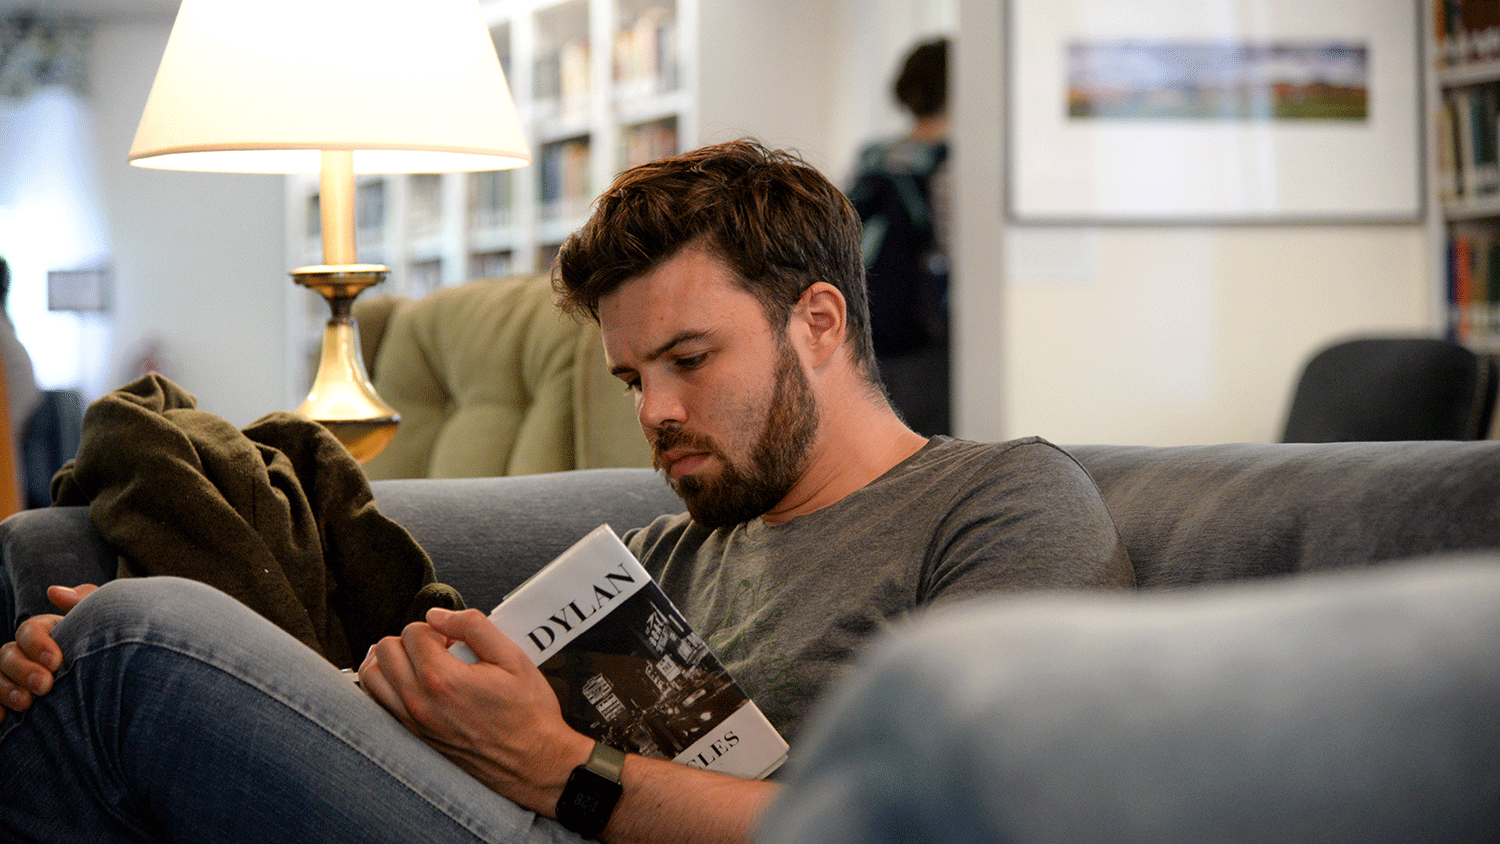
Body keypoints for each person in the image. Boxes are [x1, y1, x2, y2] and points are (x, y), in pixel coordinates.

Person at [0, 139, 1132, 844]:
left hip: (567, 816)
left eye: (691, 360)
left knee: (139, 642)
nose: (655, 412)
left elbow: (986, 822)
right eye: (636, 377)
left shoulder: (1000, 499)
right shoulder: (666, 555)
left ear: (819, 323)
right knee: (91, 668)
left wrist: (560, 768)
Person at [847, 37, 952, 436]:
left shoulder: (875, 155)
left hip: (871, 317)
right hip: (931, 324)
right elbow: (952, 246)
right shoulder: (951, 159)